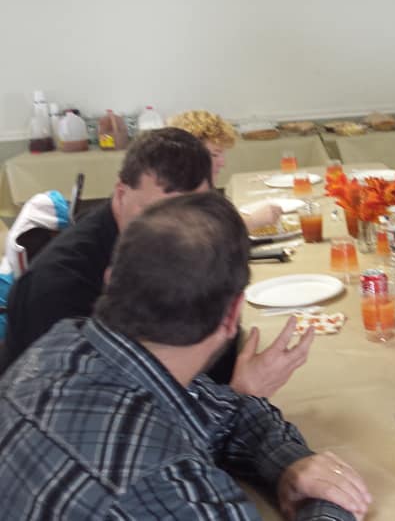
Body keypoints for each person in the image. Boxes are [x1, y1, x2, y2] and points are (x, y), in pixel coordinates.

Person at [0, 192, 371, 520]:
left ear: (112, 279)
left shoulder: (64, 342)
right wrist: (333, 504)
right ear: (231, 316)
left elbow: (229, 411)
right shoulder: (170, 487)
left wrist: (292, 464)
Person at [3, 129, 308, 399]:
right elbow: (106, 419)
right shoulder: (58, 287)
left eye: (193, 210)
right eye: (158, 210)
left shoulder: (184, 242)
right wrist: (242, 398)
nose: (179, 226)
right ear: (120, 194)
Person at [168, 109, 281, 230]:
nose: (223, 163)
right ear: (188, 154)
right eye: (215, 155)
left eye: (222, 154)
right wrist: (253, 220)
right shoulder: (176, 194)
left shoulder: (196, 185)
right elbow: (203, 236)